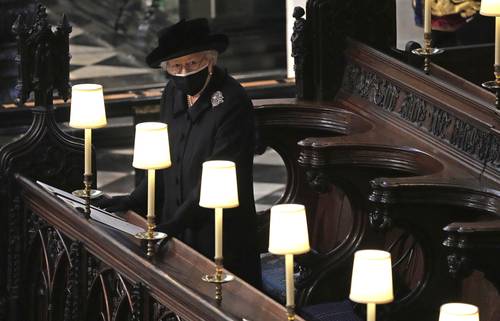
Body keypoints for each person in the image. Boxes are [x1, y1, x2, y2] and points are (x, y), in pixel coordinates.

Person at [97, 18, 261, 287]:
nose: (183, 72)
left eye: (192, 63)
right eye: (175, 66)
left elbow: (219, 175)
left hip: (217, 229)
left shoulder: (231, 101)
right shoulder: (172, 92)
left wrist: (174, 225)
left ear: (210, 60)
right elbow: (163, 159)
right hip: (174, 223)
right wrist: (132, 199)